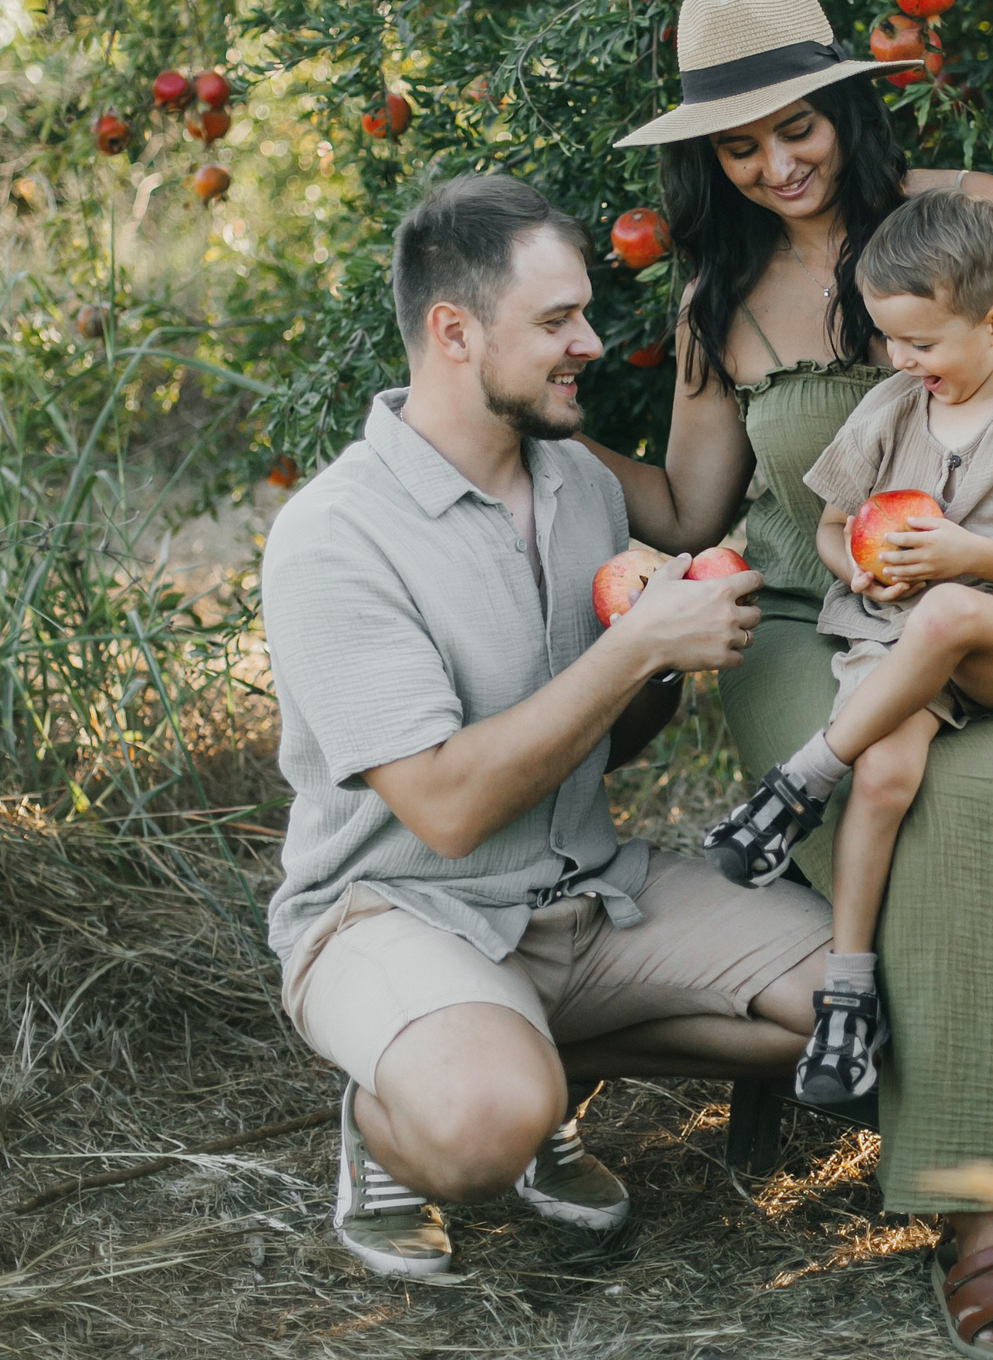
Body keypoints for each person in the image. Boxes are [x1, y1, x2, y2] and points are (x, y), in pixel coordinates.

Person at [588, 0, 993, 1356]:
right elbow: (695, 511)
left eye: (796, 127)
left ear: (843, 103)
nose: (775, 163)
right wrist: (539, 429)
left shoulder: (977, 220)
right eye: (738, 143)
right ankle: (982, 1221)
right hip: (810, 623)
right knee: (929, 807)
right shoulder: (724, 291)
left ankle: (990, 1169)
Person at [260, 173, 833, 1279]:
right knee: (480, 1131)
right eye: (557, 320)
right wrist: (637, 650)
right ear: (453, 331)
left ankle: (512, 1055)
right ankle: (406, 1116)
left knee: (858, 1002)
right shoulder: (334, 537)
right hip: (397, 911)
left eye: (585, 310)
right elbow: (448, 807)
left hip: (587, 895)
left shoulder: (579, 484)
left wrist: (666, 659)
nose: (591, 341)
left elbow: (610, 735)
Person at [701, 188, 993, 1115]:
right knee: (884, 782)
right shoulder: (895, 407)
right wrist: (859, 573)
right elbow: (837, 526)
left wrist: (963, 558)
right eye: (891, 340)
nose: (900, 360)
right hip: (892, 638)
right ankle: (847, 995)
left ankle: (798, 781)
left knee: (946, 615)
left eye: (921, 343)